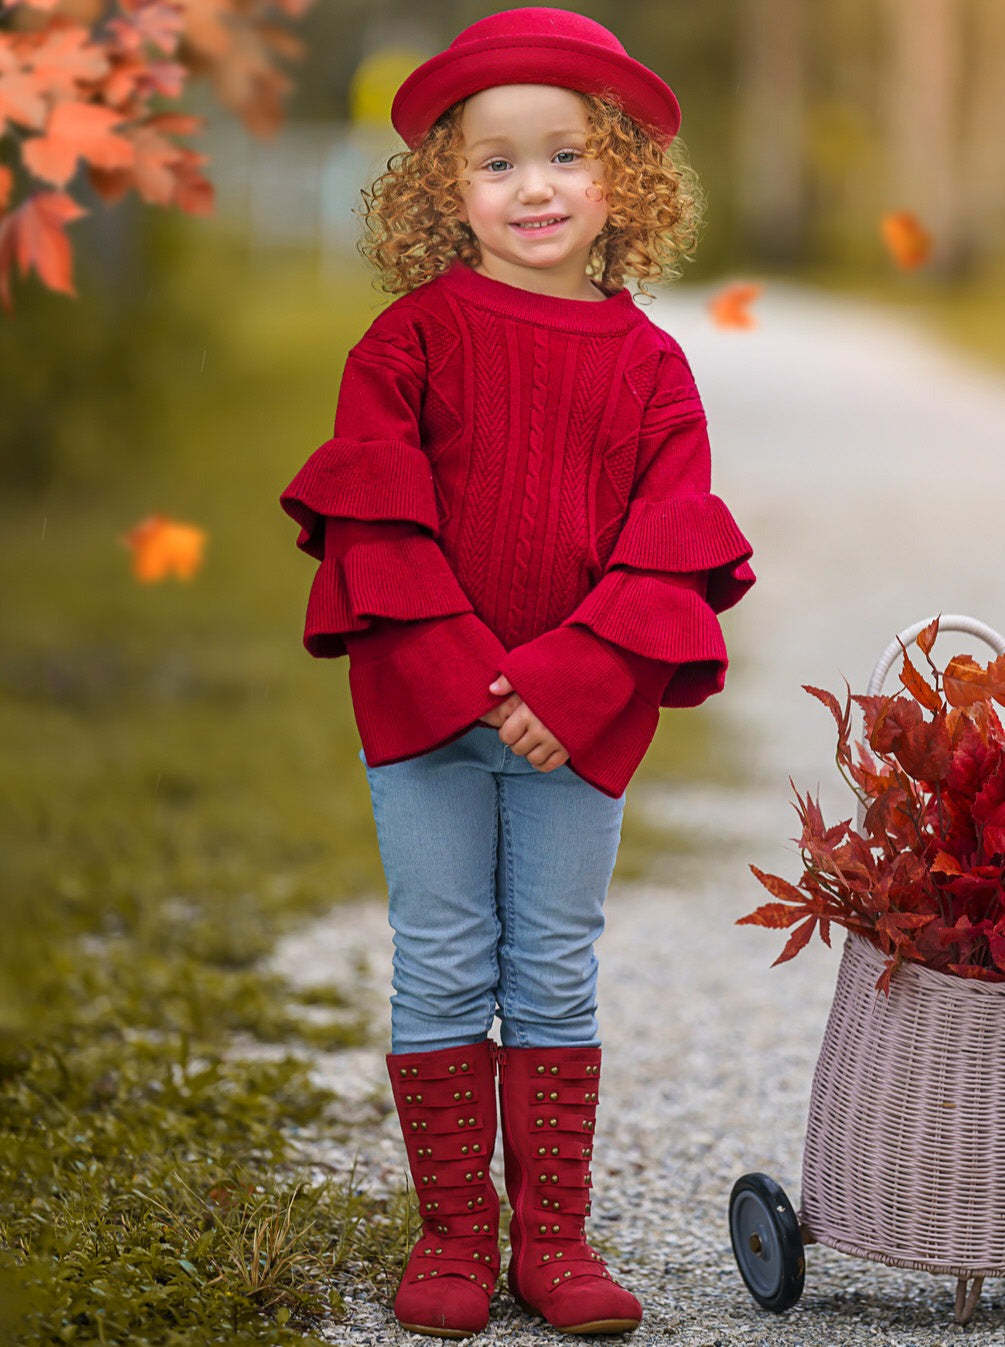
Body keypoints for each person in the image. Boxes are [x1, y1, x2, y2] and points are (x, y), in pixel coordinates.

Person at [281, 8, 754, 1338]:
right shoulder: (406, 347)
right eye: (495, 163)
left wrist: (570, 679)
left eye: (562, 156)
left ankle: (550, 1239)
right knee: (442, 956)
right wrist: (478, 678)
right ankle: (450, 1240)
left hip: (578, 720)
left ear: (621, 179)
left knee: (550, 964)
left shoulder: (655, 372)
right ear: (446, 189)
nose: (533, 187)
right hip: (426, 710)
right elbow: (377, 525)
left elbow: (667, 549)